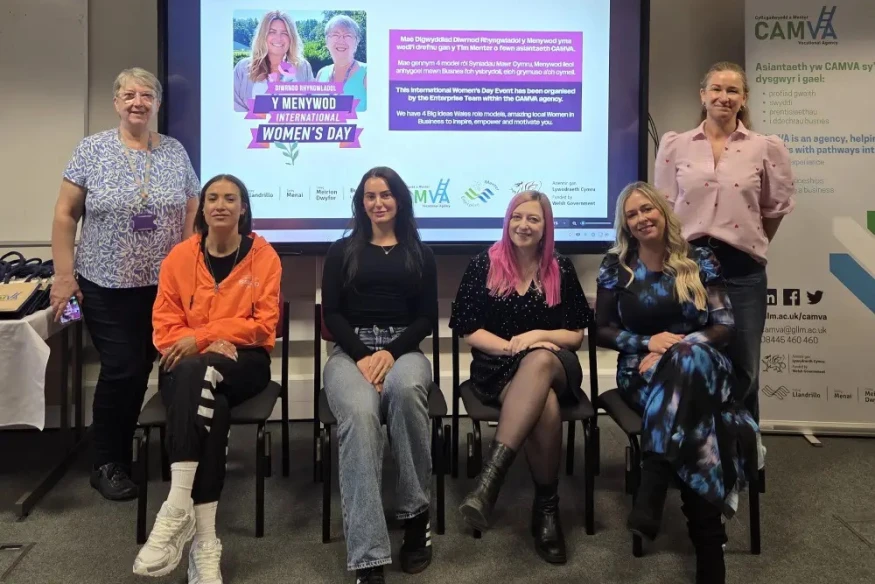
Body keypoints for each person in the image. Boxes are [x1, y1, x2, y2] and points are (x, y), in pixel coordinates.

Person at [595, 181, 761, 584]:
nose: (641, 219)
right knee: (696, 422)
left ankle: (655, 472)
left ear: (662, 211)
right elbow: (601, 330)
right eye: (632, 214)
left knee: (688, 363)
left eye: (646, 209)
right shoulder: (616, 265)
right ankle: (709, 545)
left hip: (703, 363)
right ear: (625, 224)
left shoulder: (699, 259)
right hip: (642, 371)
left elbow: (724, 326)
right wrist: (646, 342)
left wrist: (678, 347)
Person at [50, 67, 200, 501]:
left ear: (158, 104)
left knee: (164, 367)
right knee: (123, 369)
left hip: (164, 289)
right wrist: (63, 276)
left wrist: (189, 270)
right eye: (129, 95)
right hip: (105, 285)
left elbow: (191, 210)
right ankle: (107, 462)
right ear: (116, 103)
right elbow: (65, 214)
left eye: (147, 95)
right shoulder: (92, 150)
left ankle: (168, 452)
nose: (138, 102)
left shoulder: (174, 151)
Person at [133, 174, 282, 581]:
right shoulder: (179, 258)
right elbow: (164, 326)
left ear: (243, 208)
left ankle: (176, 505)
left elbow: (263, 326)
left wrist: (204, 337)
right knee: (212, 403)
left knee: (197, 373)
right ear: (202, 208)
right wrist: (205, 344)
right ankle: (205, 544)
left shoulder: (264, 256)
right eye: (212, 198)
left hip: (244, 363)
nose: (220, 205)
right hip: (186, 364)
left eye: (230, 198)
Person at [450, 191, 593, 564]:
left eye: (533, 219)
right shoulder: (483, 264)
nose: (523, 225)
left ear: (546, 226)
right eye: (517, 217)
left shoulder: (561, 267)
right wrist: (513, 349)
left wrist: (536, 338)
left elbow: (575, 335)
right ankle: (547, 508)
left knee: (541, 361)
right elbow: (468, 329)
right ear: (507, 221)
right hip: (497, 366)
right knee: (545, 404)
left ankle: (489, 482)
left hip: (557, 364)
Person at [654, 61, 796, 419]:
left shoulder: (765, 147)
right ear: (702, 95)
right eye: (716, 89)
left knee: (744, 364)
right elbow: (665, 208)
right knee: (690, 358)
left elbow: (774, 209)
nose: (724, 97)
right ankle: (695, 443)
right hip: (688, 270)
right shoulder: (676, 145)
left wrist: (748, 241)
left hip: (742, 270)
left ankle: (744, 445)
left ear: (744, 98)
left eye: (733, 90)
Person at [321, 167, 437, 584]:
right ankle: (368, 554)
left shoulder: (420, 253)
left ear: (400, 200)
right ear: (361, 202)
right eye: (370, 196)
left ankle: (415, 517)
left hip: (403, 350)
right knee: (360, 413)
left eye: (386, 195)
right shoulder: (341, 251)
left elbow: (426, 318)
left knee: (405, 393)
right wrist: (364, 356)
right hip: (350, 352)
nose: (378, 203)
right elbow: (332, 313)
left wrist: (389, 353)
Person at [233, 10, 315, 112]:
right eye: (272, 32)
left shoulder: (303, 67)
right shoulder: (243, 68)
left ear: (291, 38)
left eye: (284, 33)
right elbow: (234, 107)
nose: (278, 38)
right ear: (263, 36)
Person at [315, 14, 367, 112]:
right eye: (335, 35)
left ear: (357, 42)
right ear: (326, 41)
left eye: (348, 35)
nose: (341, 40)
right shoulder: (321, 74)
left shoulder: (367, 73)